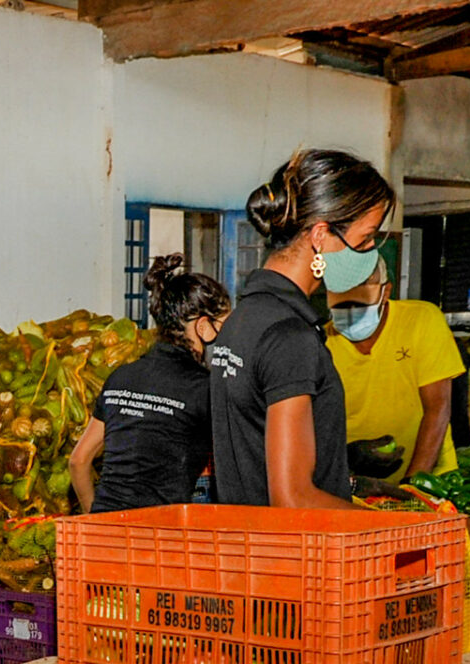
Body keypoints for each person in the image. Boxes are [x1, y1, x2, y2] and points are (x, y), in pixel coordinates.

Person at [208, 148, 395, 508]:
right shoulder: (289, 336)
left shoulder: (244, 319)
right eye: (365, 239)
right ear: (320, 236)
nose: (371, 250)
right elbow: (293, 499)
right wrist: (390, 526)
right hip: (300, 559)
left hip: (252, 548)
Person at [70, 255, 229, 513]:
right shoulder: (205, 389)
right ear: (203, 327)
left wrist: (95, 520)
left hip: (107, 535)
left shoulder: (120, 377)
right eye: (225, 325)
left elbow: (79, 461)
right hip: (158, 536)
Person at [324, 260, 465, 479]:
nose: (351, 314)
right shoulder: (321, 344)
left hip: (430, 481)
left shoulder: (422, 320)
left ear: (385, 291)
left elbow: (438, 407)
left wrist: (414, 484)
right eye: (342, 307)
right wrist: (347, 459)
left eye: (361, 306)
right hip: (355, 486)